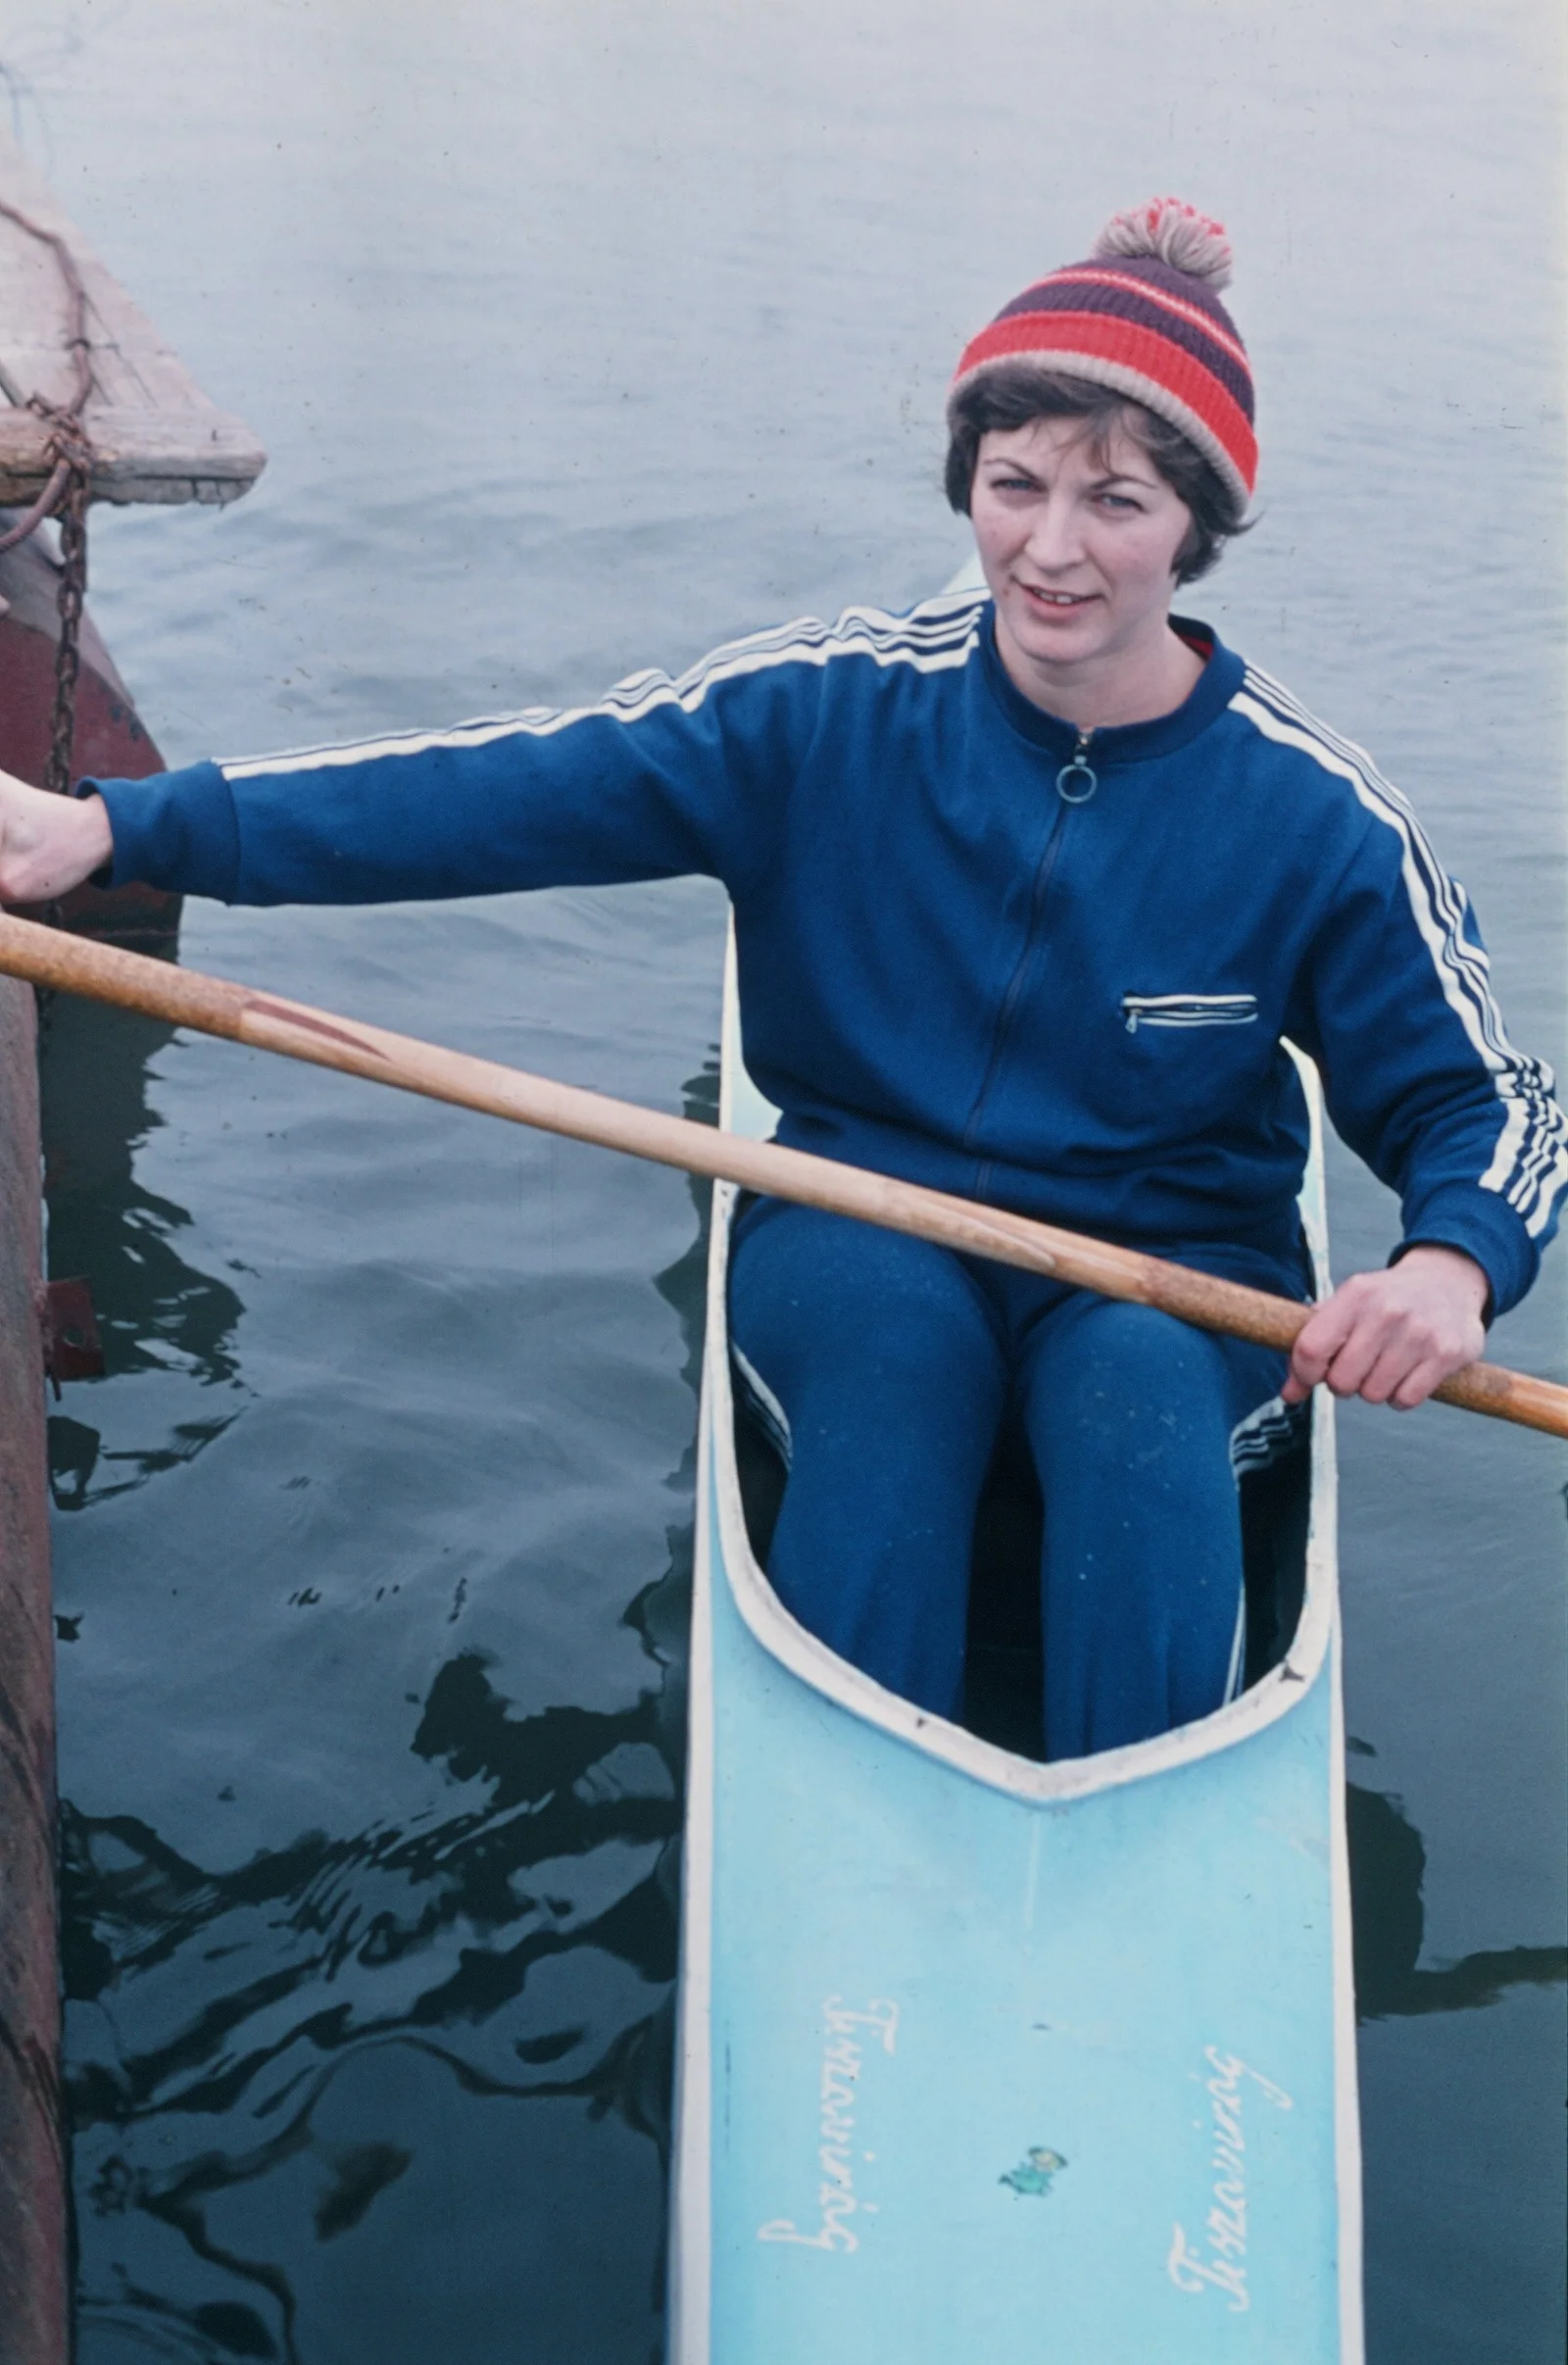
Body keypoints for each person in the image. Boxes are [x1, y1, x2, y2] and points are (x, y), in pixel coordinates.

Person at [2, 198, 1562, 1759]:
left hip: (1171, 1275)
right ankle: (849, 1789)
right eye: (1013, 485)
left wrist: (1452, 1265)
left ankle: (1159, 1795)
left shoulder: (1315, 814)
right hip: (860, 1216)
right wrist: (120, 828)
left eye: (1118, 501)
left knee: (1138, 1410)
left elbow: (1488, 1103)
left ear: (1195, 528)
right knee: (892, 1371)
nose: (1051, 549)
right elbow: (492, 785)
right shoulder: (823, 714)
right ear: (968, 484)